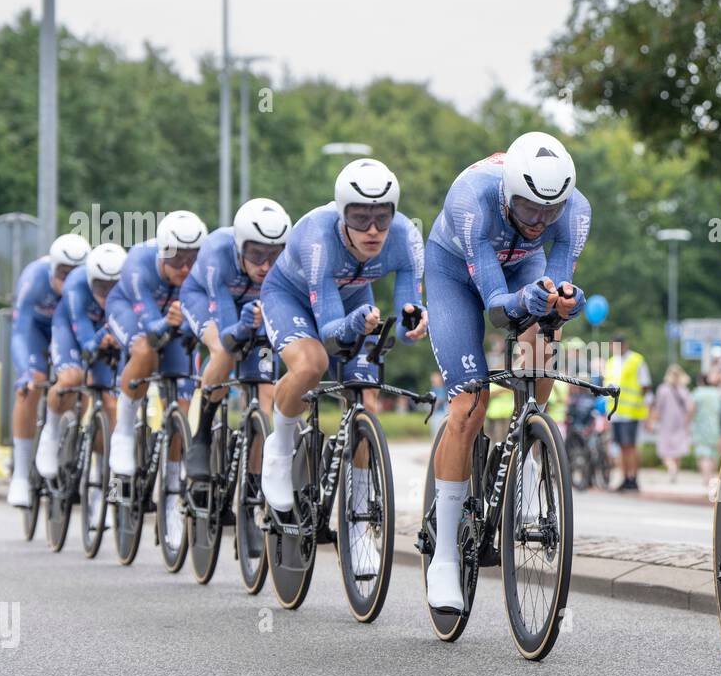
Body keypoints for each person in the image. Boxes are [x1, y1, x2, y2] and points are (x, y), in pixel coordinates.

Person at [423, 131, 591, 611]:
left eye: (549, 211)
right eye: (527, 207)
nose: (539, 220)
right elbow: (497, 307)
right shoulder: (471, 199)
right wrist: (524, 301)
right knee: (470, 404)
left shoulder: (576, 210)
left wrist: (564, 299)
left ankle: (533, 446)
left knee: (543, 336)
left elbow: (558, 279)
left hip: (521, 268)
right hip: (457, 272)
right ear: (506, 193)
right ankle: (446, 558)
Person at [259, 159, 427, 579]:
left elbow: (409, 304)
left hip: (354, 300)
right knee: (314, 363)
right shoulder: (317, 237)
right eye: (359, 218)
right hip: (293, 298)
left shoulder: (405, 236)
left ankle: (357, 523)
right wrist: (357, 325)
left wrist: (416, 319)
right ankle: (278, 452)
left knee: (366, 392)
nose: (372, 230)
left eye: (381, 217)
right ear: (341, 214)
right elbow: (332, 333)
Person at [106, 210, 208, 550]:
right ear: (162, 253)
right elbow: (151, 326)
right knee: (145, 350)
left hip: (174, 324)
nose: (185, 268)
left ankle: (172, 490)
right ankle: (124, 430)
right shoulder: (138, 263)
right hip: (132, 315)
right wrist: (168, 323)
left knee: (182, 402)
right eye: (177, 258)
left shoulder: (198, 275)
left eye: (193, 259)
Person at [180, 197, 292, 481]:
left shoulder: (281, 265)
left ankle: (251, 487)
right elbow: (230, 332)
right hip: (205, 300)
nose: (266, 265)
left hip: (254, 310)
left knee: (266, 391)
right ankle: (202, 435)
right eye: (256, 254)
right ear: (239, 246)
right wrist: (244, 330)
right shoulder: (216, 252)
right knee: (223, 350)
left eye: (275, 254)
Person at [7, 233, 90, 507]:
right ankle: (20, 475)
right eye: (63, 274)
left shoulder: (88, 287)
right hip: (35, 332)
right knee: (34, 384)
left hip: (68, 332)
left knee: (83, 381)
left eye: (75, 274)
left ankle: (65, 441)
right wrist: (26, 374)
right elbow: (20, 331)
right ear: (52, 269)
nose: (68, 282)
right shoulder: (35, 279)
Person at [34, 243, 126, 479]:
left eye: (113, 286)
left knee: (112, 405)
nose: (106, 294)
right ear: (89, 279)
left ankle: (98, 482)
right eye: (100, 286)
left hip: (104, 336)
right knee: (70, 378)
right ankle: (51, 432)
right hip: (72, 332)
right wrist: (101, 338)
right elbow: (85, 341)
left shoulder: (128, 291)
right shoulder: (75, 284)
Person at [604, 334, 651, 491]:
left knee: (630, 446)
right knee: (621, 447)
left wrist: (643, 405)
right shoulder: (611, 362)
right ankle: (625, 478)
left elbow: (645, 385)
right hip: (615, 412)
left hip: (631, 412)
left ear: (625, 345)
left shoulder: (636, 360)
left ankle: (634, 478)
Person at [650, 364, 693, 482]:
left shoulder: (662, 389)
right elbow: (690, 408)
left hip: (666, 423)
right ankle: (675, 471)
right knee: (678, 450)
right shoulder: (683, 390)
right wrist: (687, 421)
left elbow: (658, 408)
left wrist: (652, 421)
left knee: (665, 451)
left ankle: (671, 468)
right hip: (680, 424)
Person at [690, 373, 721, 485]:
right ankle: (712, 477)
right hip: (716, 427)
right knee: (714, 454)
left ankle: (706, 479)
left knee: (703, 454)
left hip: (701, 427)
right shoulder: (718, 393)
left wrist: (687, 422)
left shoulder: (698, 393)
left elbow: (691, 410)